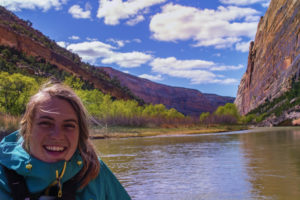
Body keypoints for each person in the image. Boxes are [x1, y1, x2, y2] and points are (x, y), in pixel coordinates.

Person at [0, 82, 131, 200]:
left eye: (69, 125)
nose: (57, 136)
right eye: (45, 123)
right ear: (27, 128)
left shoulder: (94, 170)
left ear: (80, 133)